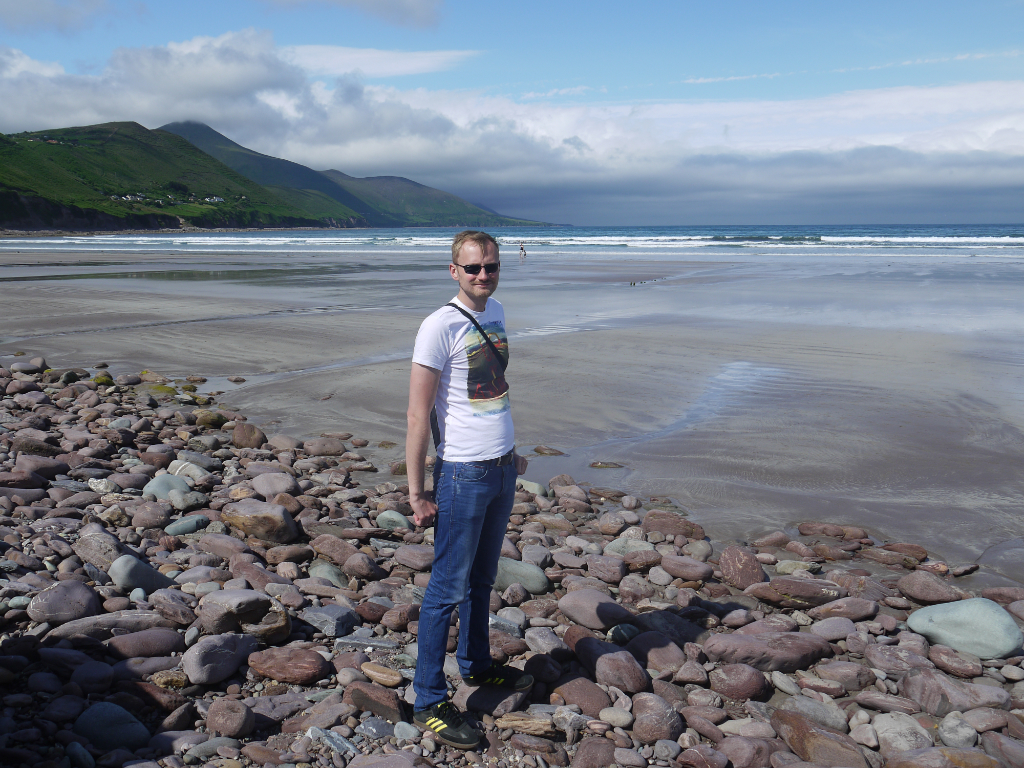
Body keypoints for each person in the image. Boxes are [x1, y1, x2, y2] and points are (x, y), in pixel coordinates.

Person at [406, 230, 533, 750]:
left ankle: (476, 664)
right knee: (446, 589)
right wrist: (417, 491)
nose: (484, 275)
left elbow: (495, 391)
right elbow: (418, 415)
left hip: (501, 468)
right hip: (462, 473)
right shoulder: (438, 325)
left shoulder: (496, 311)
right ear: (454, 270)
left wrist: (512, 452)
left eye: (491, 266)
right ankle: (428, 699)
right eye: (474, 267)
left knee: (483, 579)